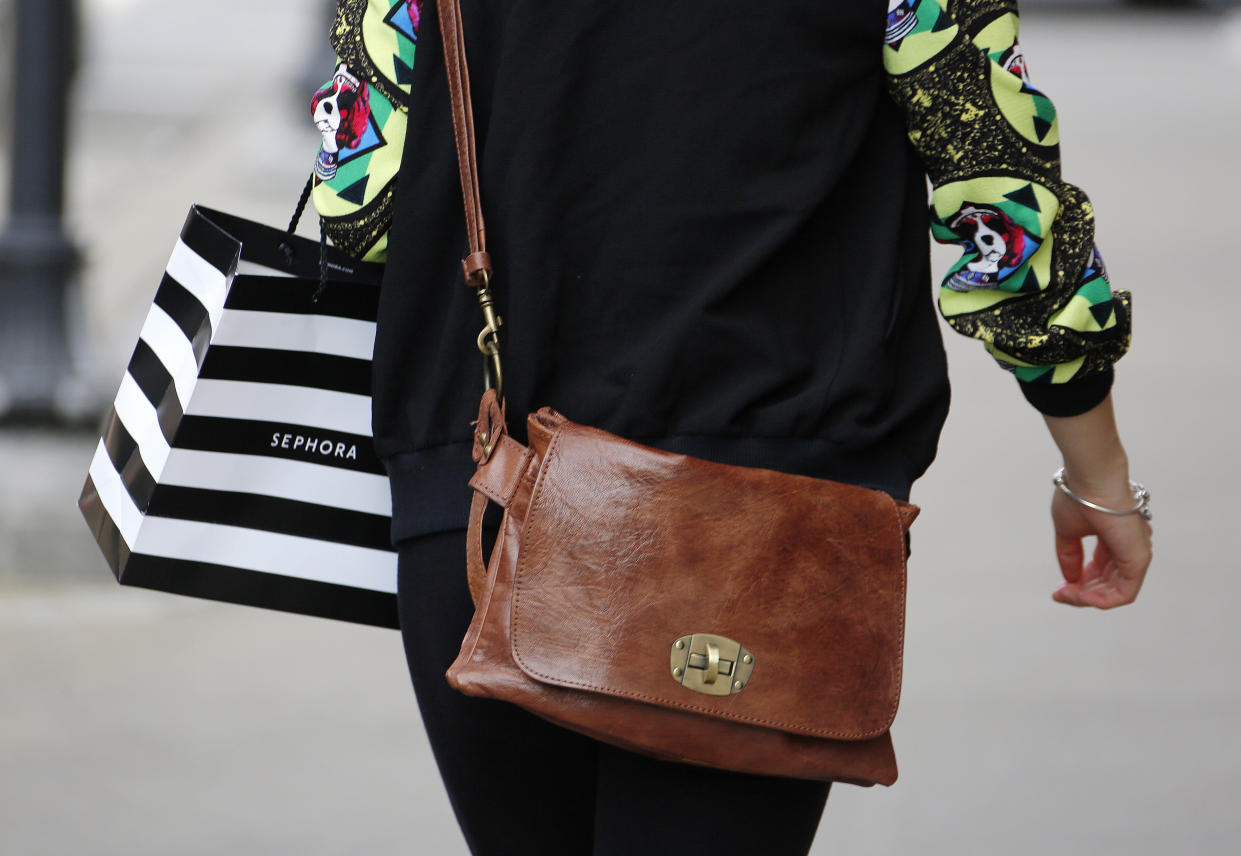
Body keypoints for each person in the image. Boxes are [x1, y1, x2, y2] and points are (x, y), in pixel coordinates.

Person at [333, 1, 1154, 853]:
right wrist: (1094, 469)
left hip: (485, 476)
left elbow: (359, 210)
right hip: (765, 500)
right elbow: (1003, 194)